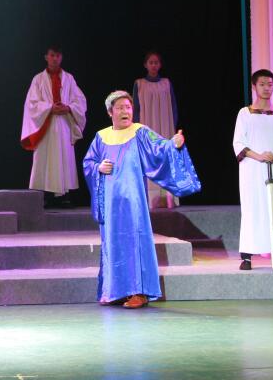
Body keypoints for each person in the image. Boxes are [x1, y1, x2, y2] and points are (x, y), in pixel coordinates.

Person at [83, 90, 200, 308]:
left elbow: (161, 148)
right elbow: (88, 163)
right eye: (120, 108)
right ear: (110, 112)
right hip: (111, 204)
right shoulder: (101, 137)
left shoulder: (140, 132)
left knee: (135, 242)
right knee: (113, 244)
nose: (125, 111)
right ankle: (115, 291)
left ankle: (139, 292)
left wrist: (174, 144)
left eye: (128, 107)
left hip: (133, 202)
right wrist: (98, 167)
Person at [232, 69, 273, 271]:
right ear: (254, 86)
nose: (266, 88)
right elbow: (238, 143)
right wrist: (259, 156)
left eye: (270, 84)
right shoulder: (245, 113)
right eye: (262, 84)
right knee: (252, 209)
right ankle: (247, 257)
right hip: (252, 168)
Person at [20, 46, 87, 207]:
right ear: (46, 57)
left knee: (64, 158)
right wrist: (50, 108)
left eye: (57, 55)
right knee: (45, 159)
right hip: (46, 125)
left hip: (63, 123)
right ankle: (46, 195)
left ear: (61, 57)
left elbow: (80, 100)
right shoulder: (38, 79)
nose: (55, 58)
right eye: (52, 55)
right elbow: (31, 103)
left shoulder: (69, 78)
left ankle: (64, 196)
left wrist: (69, 108)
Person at [132, 50, 180, 209]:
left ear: (160, 65)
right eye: (151, 62)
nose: (153, 65)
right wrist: (136, 129)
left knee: (165, 159)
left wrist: (172, 127)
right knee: (149, 160)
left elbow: (173, 106)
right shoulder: (139, 84)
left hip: (165, 126)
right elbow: (136, 109)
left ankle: (168, 197)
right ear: (145, 65)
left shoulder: (166, 83)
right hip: (147, 126)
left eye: (156, 62)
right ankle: (151, 199)